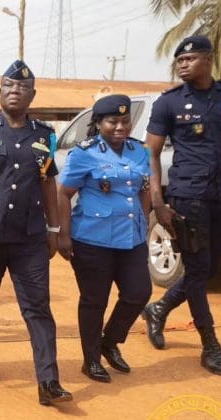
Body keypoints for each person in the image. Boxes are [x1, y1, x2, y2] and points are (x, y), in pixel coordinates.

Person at [142, 36, 221, 376]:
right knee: (197, 272)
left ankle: (159, 308)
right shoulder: (169, 103)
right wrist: (158, 202)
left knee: (209, 268)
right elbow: (151, 154)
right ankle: (210, 345)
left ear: (208, 59)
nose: (182, 65)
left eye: (189, 59)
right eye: (179, 60)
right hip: (187, 195)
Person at [0, 60, 72, 406]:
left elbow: (47, 181)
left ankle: (48, 381)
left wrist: (54, 228)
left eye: (22, 87)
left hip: (30, 237)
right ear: (0, 92)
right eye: (8, 86)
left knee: (38, 308)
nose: (14, 91)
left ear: (32, 95)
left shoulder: (44, 135)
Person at [56, 95, 152, 383]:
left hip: (131, 239)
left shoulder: (139, 151)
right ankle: (91, 359)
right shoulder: (84, 154)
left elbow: (144, 190)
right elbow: (63, 194)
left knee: (138, 293)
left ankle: (109, 342)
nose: (120, 127)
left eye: (125, 121)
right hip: (92, 240)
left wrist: (144, 224)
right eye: (112, 122)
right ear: (98, 124)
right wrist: (63, 235)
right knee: (94, 301)